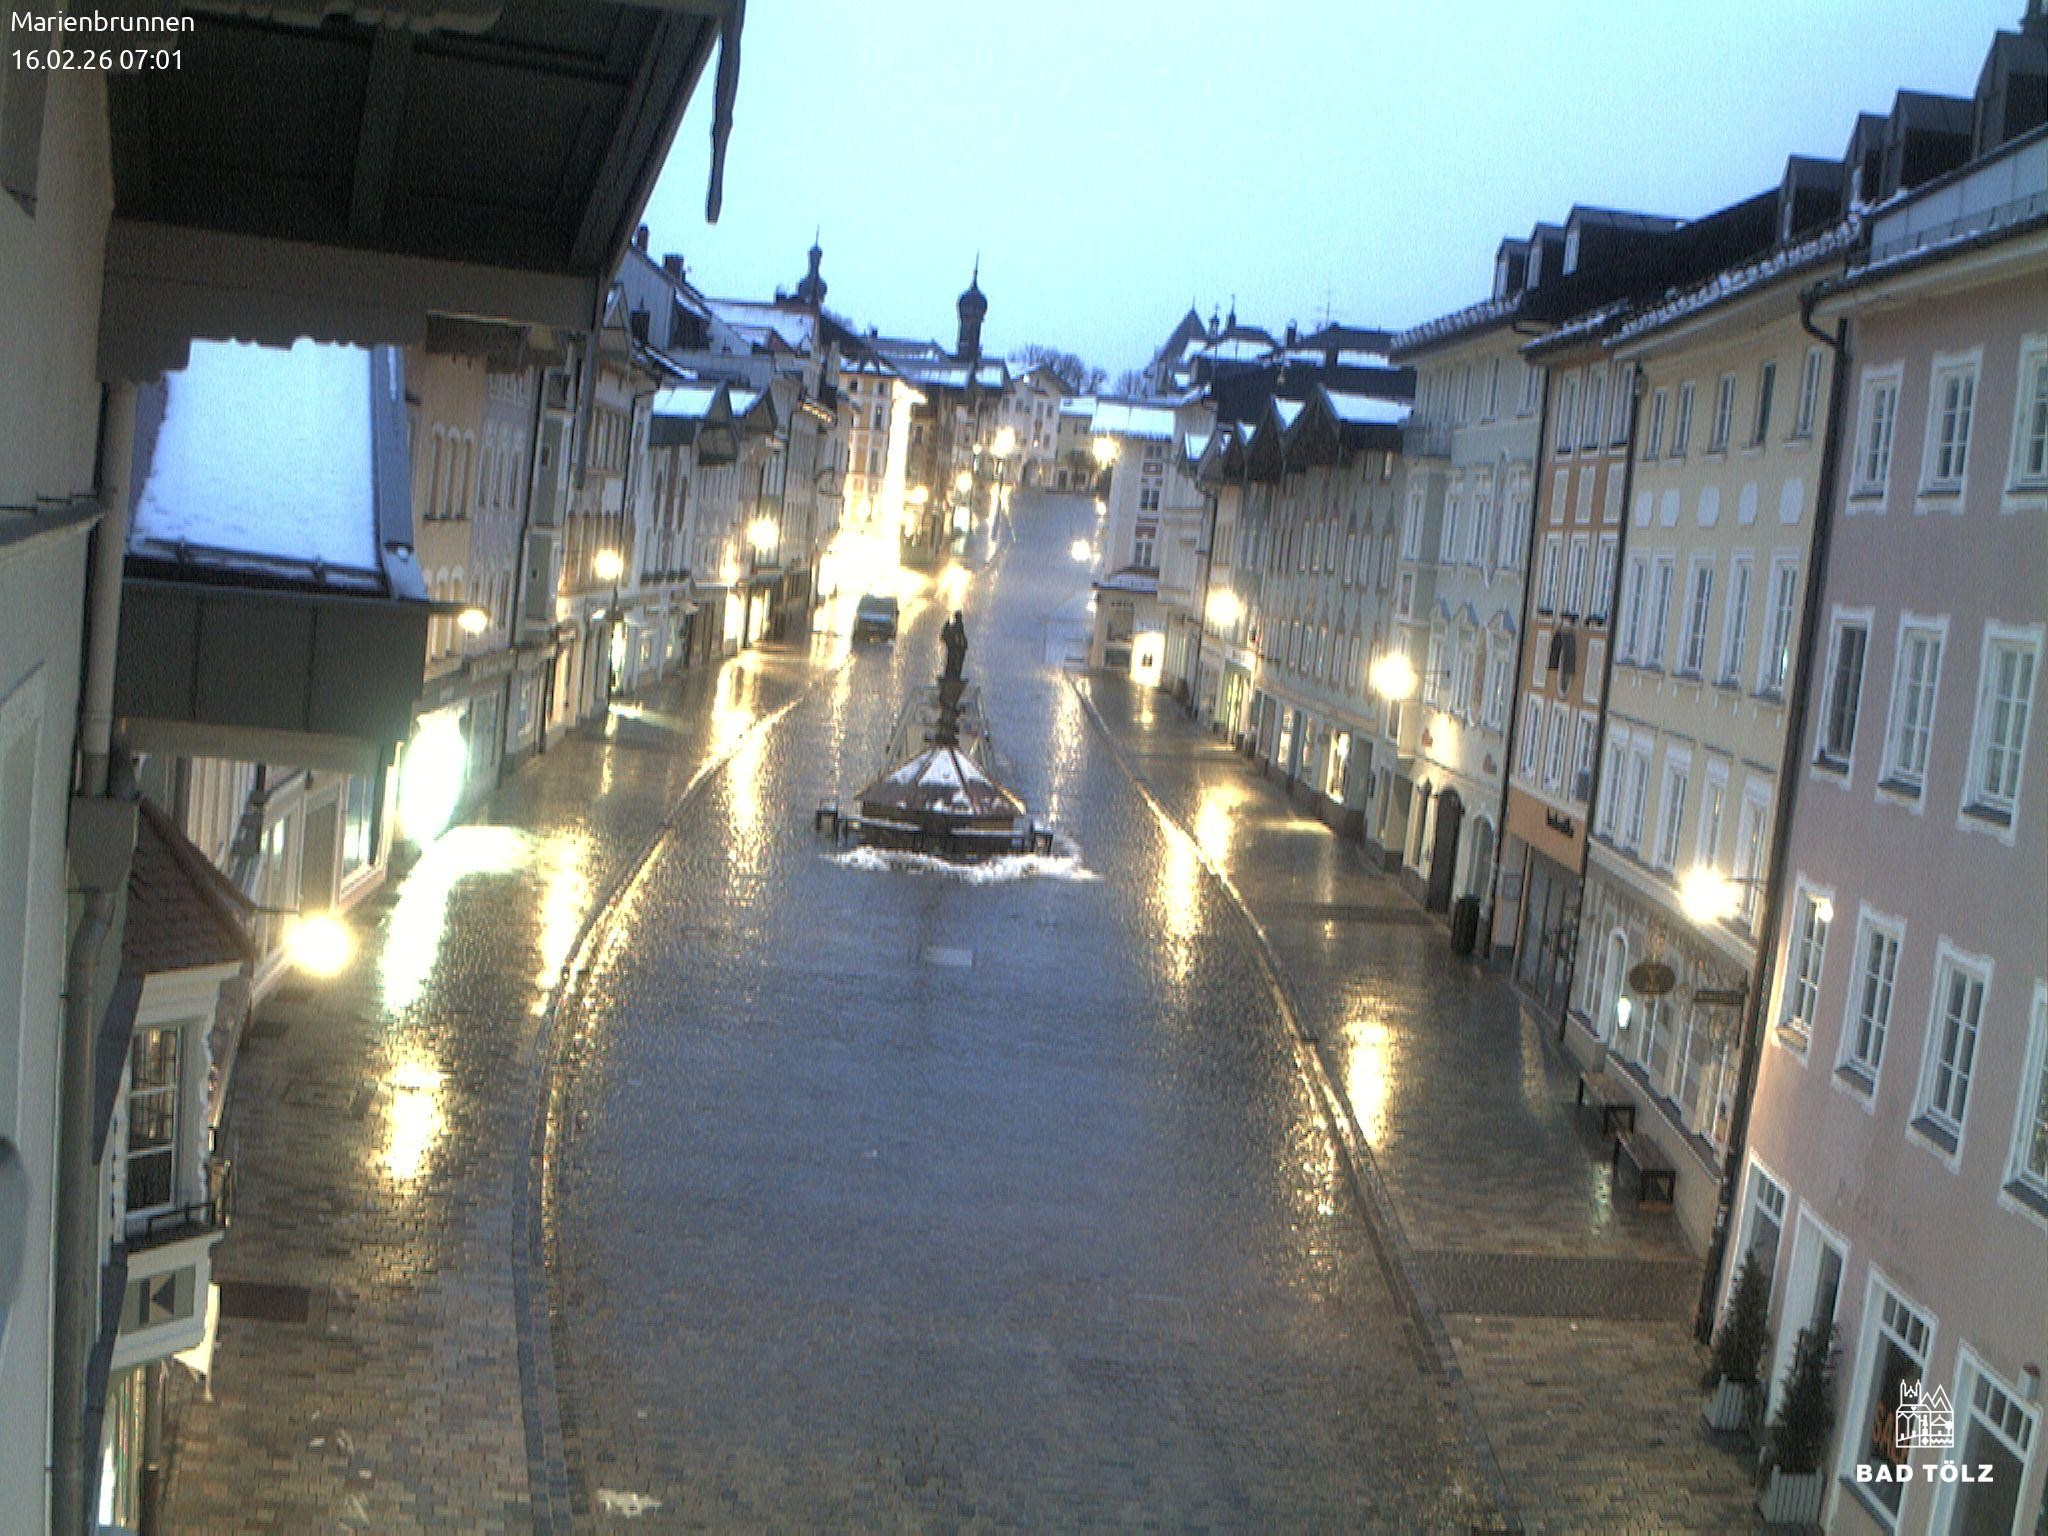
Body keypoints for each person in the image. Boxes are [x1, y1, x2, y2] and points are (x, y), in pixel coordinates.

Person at [940, 610, 968, 682]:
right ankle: (952, 677)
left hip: (957, 649)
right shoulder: (957, 626)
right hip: (956, 649)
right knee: (953, 663)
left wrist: (947, 627)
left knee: (954, 663)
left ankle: (952, 677)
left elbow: (950, 632)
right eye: (958, 617)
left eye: (959, 617)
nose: (958, 618)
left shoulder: (958, 626)